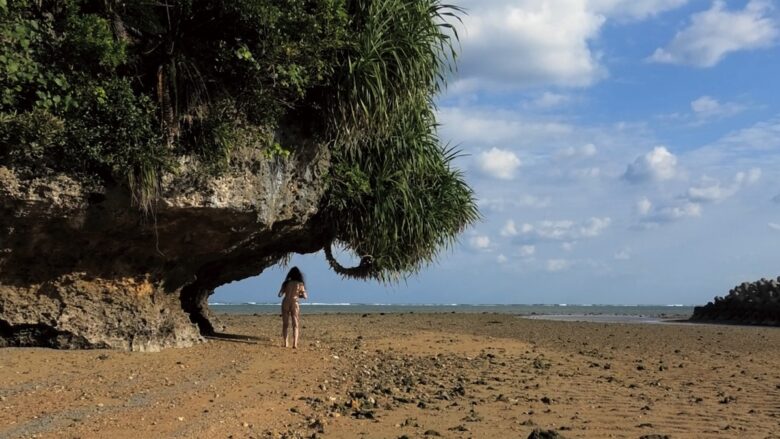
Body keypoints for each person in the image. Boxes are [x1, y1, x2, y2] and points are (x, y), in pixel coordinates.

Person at [278, 266, 307, 348]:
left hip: (286, 302)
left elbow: (279, 294)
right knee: (295, 324)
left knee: (285, 324)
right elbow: (305, 296)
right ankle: (295, 344)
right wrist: (299, 295)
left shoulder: (286, 283)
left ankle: (286, 343)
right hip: (295, 302)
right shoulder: (300, 284)